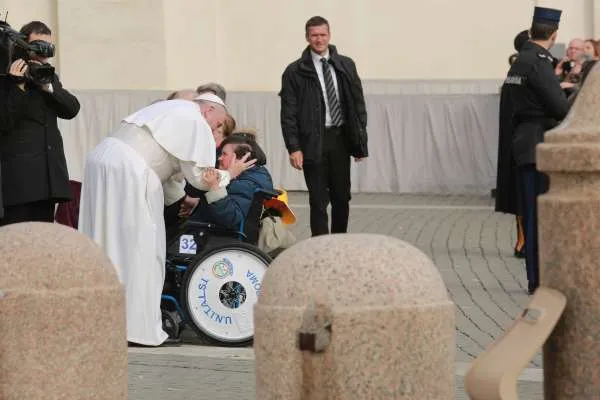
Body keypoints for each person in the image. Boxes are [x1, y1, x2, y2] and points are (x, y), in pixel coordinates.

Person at [78, 93, 255, 347]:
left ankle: (101, 323)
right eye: (217, 125)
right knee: (142, 251)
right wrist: (228, 175)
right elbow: (201, 177)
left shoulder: (168, 109)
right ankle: (136, 330)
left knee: (105, 245)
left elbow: (167, 167)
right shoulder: (194, 120)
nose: (215, 132)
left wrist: (180, 199)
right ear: (208, 112)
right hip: (130, 173)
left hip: (102, 162)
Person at [497, 7, 569, 295]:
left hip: (524, 144)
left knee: (532, 213)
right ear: (554, 34)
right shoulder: (539, 63)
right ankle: (540, 280)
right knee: (540, 216)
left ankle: (534, 278)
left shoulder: (519, 62)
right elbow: (560, 108)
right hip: (539, 144)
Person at [279, 15, 368, 237]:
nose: (319, 40)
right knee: (318, 199)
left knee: (342, 197)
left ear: (329, 35)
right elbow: (288, 114)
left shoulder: (345, 65)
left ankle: (339, 243)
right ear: (307, 37)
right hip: (312, 141)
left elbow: (357, 104)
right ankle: (319, 246)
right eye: (314, 35)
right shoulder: (295, 71)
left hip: (340, 139)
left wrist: (359, 142)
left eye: (323, 35)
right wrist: (294, 147)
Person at [0, 21, 80, 226]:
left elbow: (72, 109)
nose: (44, 51)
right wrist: (17, 86)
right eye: (38, 45)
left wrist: (49, 89)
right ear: (24, 45)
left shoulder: (49, 76)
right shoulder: (7, 76)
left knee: (43, 245)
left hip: (48, 180)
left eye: (48, 46)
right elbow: (4, 122)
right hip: (19, 182)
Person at [186, 134, 274, 230]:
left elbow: (231, 218)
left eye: (224, 154)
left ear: (241, 158)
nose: (219, 158)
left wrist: (215, 188)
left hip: (213, 235)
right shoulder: (256, 175)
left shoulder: (245, 183)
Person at [496, 29, 530, 259]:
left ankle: (522, 241)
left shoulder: (514, 71)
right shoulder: (530, 68)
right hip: (528, 141)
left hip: (515, 139)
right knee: (525, 195)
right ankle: (524, 242)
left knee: (521, 196)